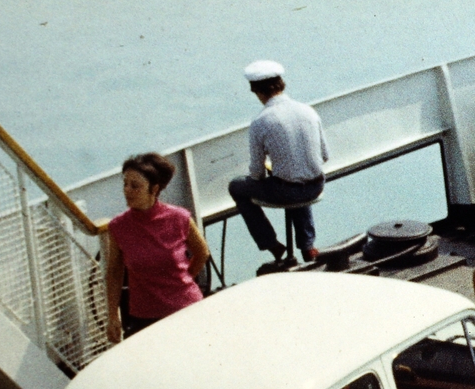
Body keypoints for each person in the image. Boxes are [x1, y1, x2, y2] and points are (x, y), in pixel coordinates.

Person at [228, 60, 328, 267]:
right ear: (282, 85)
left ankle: (271, 244)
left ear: (256, 91)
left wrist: (271, 171)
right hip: (317, 186)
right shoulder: (308, 111)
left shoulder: (261, 121)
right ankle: (308, 246)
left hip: (287, 191)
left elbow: (256, 172)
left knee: (237, 187)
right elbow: (324, 155)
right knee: (296, 176)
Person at [103, 152, 208, 342]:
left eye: (135, 186)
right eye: (125, 184)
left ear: (154, 189)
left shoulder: (179, 217)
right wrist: (112, 316)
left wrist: (184, 281)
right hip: (144, 317)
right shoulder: (118, 227)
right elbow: (114, 273)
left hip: (186, 309)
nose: (127, 190)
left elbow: (202, 253)